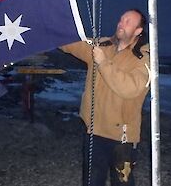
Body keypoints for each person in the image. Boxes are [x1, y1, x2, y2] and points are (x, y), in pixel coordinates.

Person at [60, 9, 150, 186]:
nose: (121, 23)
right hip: (94, 131)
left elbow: (130, 89)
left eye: (128, 22)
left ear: (138, 31)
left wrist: (103, 63)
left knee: (122, 182)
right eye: (121, 19)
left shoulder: (143, 58)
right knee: (92, 181)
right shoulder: (102, 46)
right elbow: (73, 44)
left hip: (122, 138)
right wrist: (51, 31)